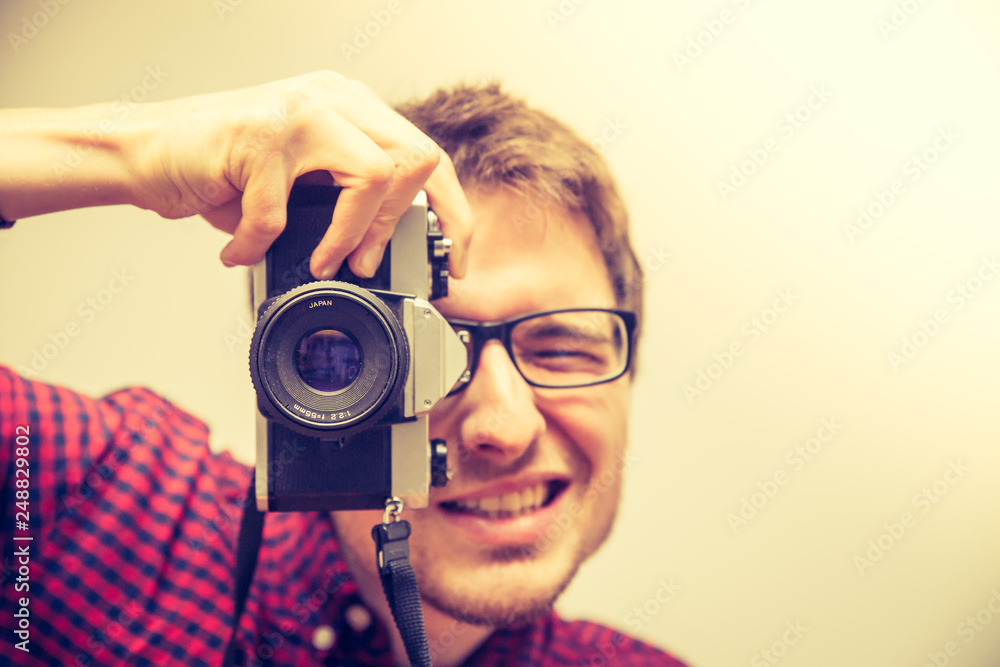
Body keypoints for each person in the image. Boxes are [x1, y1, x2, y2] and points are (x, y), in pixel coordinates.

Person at [0, 71, 687, 666]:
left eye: (561, 347)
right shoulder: (113, 518)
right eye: (419, 349)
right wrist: (133, 149)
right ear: (291, 364)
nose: (504, 426)